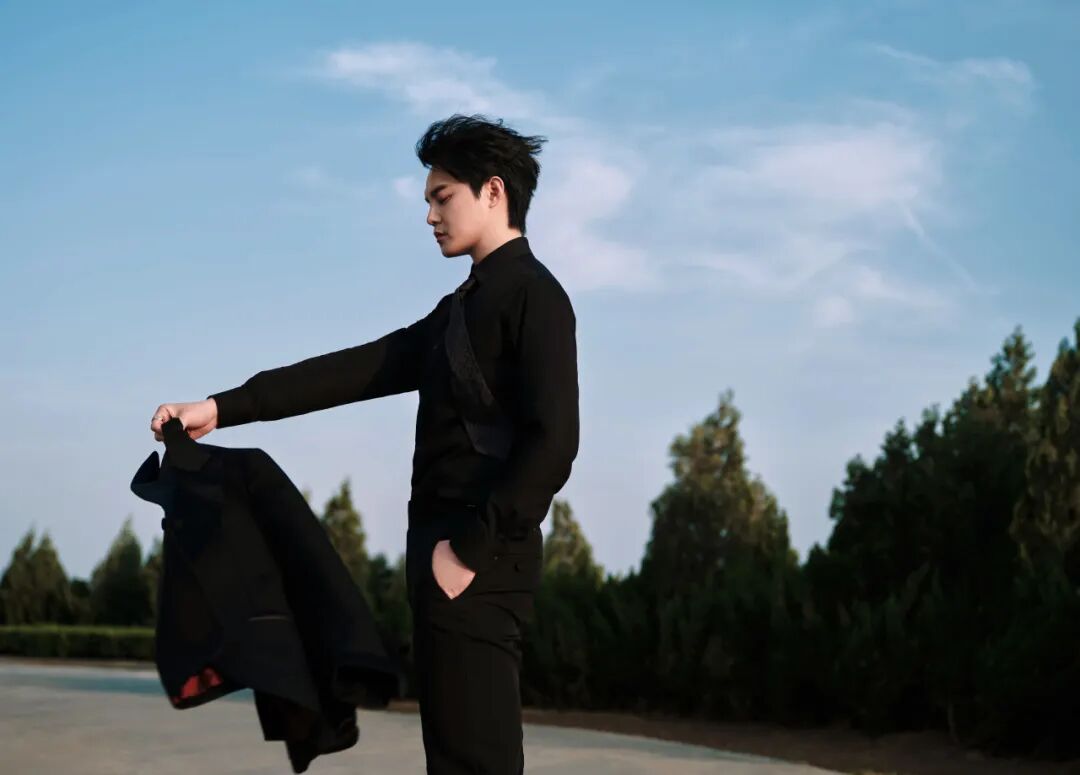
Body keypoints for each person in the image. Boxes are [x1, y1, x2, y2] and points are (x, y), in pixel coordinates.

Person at [148, 113, 580, 774]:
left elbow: (553, 444)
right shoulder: (459, 311)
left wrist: (468, 551)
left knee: (476, 762)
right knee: (455, 761)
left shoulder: (536, 296)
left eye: (442, 197)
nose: (430, 216)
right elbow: (356, 369)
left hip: (479, 561)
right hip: (446, 559)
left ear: (493, 191)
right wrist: (220, 407)